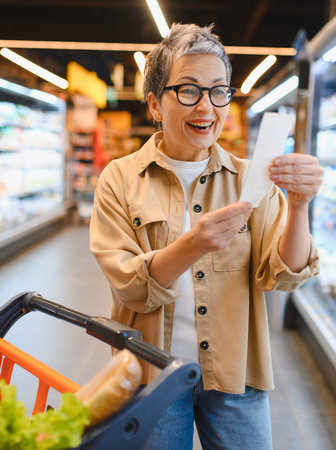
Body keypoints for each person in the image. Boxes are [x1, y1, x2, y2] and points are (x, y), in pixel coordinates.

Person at [90, 23, 322, 450]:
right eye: (189, 90)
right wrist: (192, 244)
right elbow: (129, 287)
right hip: (151, 375)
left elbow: (283, 276)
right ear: (155, 104)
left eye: (218, 91)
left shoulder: (252, 179)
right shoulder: (119, 180)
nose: (207, 106)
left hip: (237, 373)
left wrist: (301, 205)